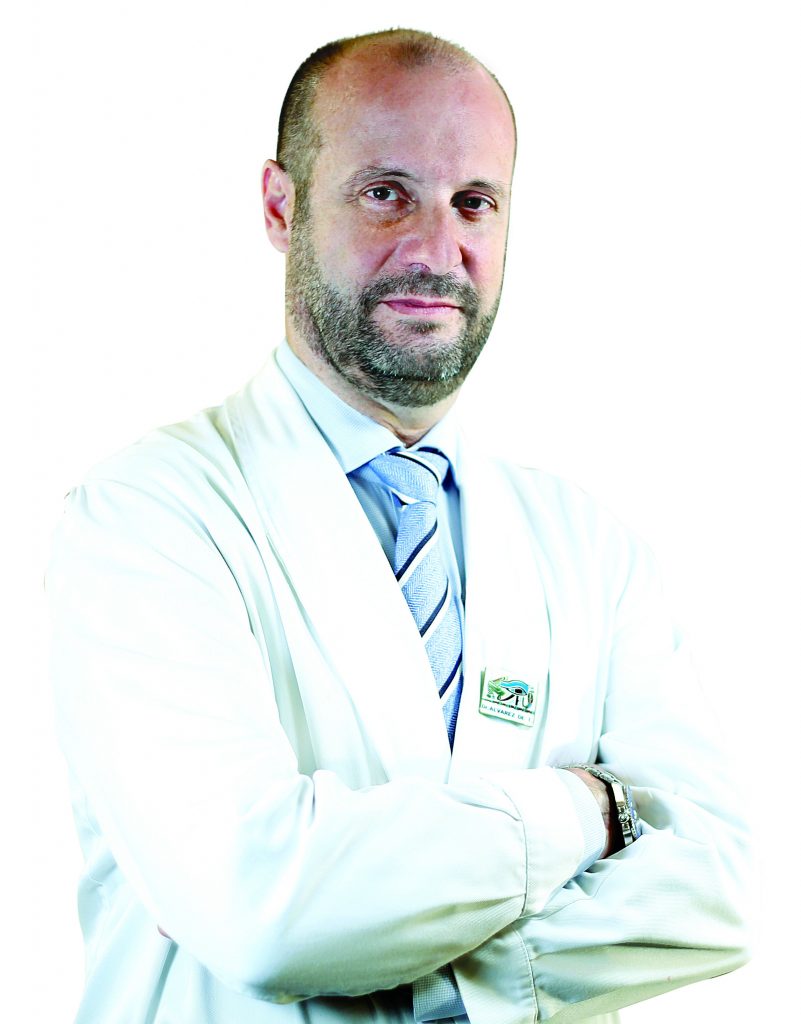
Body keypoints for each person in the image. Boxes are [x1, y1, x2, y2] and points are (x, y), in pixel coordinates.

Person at [47, 27, 751, 1024]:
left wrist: (433, 971)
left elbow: (718, 890)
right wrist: (588, 808)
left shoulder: (590, 547)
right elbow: (263, 910)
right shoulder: (148, 514)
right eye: (386, 193)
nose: (434, 248)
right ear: (281, 206)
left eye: (474, 202)